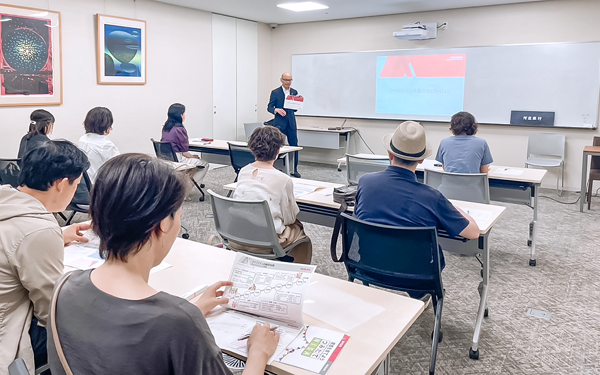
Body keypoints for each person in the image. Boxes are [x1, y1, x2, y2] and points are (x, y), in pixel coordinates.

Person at [47, 154, 279, 375]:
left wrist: (193, 311)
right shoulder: (178, 322)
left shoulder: (64, 286)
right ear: (162, 224)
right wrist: (259, 352)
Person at [355, 121, 480, 296]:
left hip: (366, 265)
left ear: (390, 153)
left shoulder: (365, 182)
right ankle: (419, 295)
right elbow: (473, 233)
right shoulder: (432, 197)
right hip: (415, 275)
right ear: (421, 160)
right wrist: (455, 208)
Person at [0, 140, 90, 375]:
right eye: (76, 185)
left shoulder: (7, 201)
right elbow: (49, 311)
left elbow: (11, 241)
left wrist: (60, 235)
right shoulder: (39, 230)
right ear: (61, 184)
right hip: (7, 329)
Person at [232, 126, 312, 264]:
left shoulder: (243, 171)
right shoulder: (283, 179)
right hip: (265, 242)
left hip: (236, 237)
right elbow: (289, 218)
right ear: (278, 152)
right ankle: (297, 274)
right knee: (301, 233)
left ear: (252, 150)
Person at [161, 103, 209, 186]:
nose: (184, 115)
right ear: (180, 115)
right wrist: (194, 156)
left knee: (193, 164)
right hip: (177, 160)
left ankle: (181, 185)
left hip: (166, 159)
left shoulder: (166, 128)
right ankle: (186, 187)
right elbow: (185, 153)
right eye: (183, 113)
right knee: (204, 164)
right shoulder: (179, 129)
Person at [267, 72, 301, 178]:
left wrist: (298, 103)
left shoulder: (294, 92)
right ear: (281, 80)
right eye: (286, 80)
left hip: (291, 123)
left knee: (294, 145)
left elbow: (295, 109)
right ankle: (275, 168)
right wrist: (276, 110)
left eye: (290, 80)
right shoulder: (275, 92)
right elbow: (269, 107)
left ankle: (294, 169)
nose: (288, 82)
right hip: (279, 123)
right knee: (276, 146)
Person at [78, 107, 120, 182]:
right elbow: (119, 169)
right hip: (101, 185)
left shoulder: (82, 139)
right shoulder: (106, 145)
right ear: (107, 126)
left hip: (85, 183)